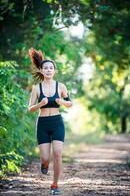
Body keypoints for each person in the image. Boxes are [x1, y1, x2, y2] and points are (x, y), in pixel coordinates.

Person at [28, 48, 73, 195]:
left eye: (51, 68)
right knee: (45, 158)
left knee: (58, 154)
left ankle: (55, 186)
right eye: (45, 68)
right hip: (42, 124)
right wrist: (40, 104)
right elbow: (30, 109)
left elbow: (70, 103)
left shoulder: (61, 86)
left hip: (57, 122)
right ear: (41, 71)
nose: (48, 70)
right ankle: (45, 163)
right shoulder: (36, 88)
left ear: (55, 71)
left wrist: (62, 101)